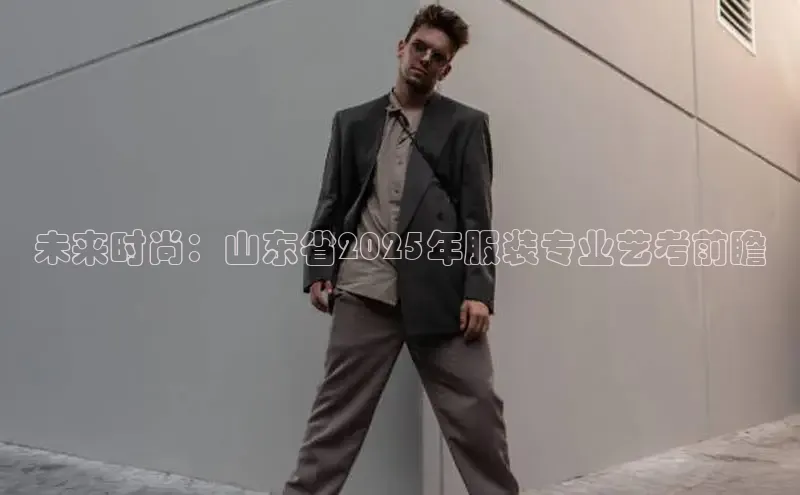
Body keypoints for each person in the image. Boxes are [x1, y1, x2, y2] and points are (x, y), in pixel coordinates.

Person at [283, 5, 520, 494]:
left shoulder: (465, 124)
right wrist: (319, 268)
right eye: (419, 48)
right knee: (334, 420)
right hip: (364, 286)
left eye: (438, 56)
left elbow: (477, 216)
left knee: (478, 415)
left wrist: (479, 291)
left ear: (446, 69)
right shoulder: (353, 122)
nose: (425, 59)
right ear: (401, 47)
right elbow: (333, 202)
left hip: (442, 293)